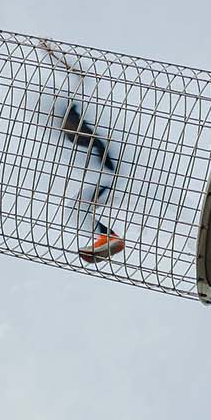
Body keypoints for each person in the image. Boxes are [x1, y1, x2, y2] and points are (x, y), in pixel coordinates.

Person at [37, 40, 129, 262]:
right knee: (77, 209)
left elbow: (80, 75)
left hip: (104, 167)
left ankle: (109, 237)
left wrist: (54, 55)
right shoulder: (77, 106)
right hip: (103, 167)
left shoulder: (83, 102)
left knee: (76, 210)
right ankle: (108, 236)